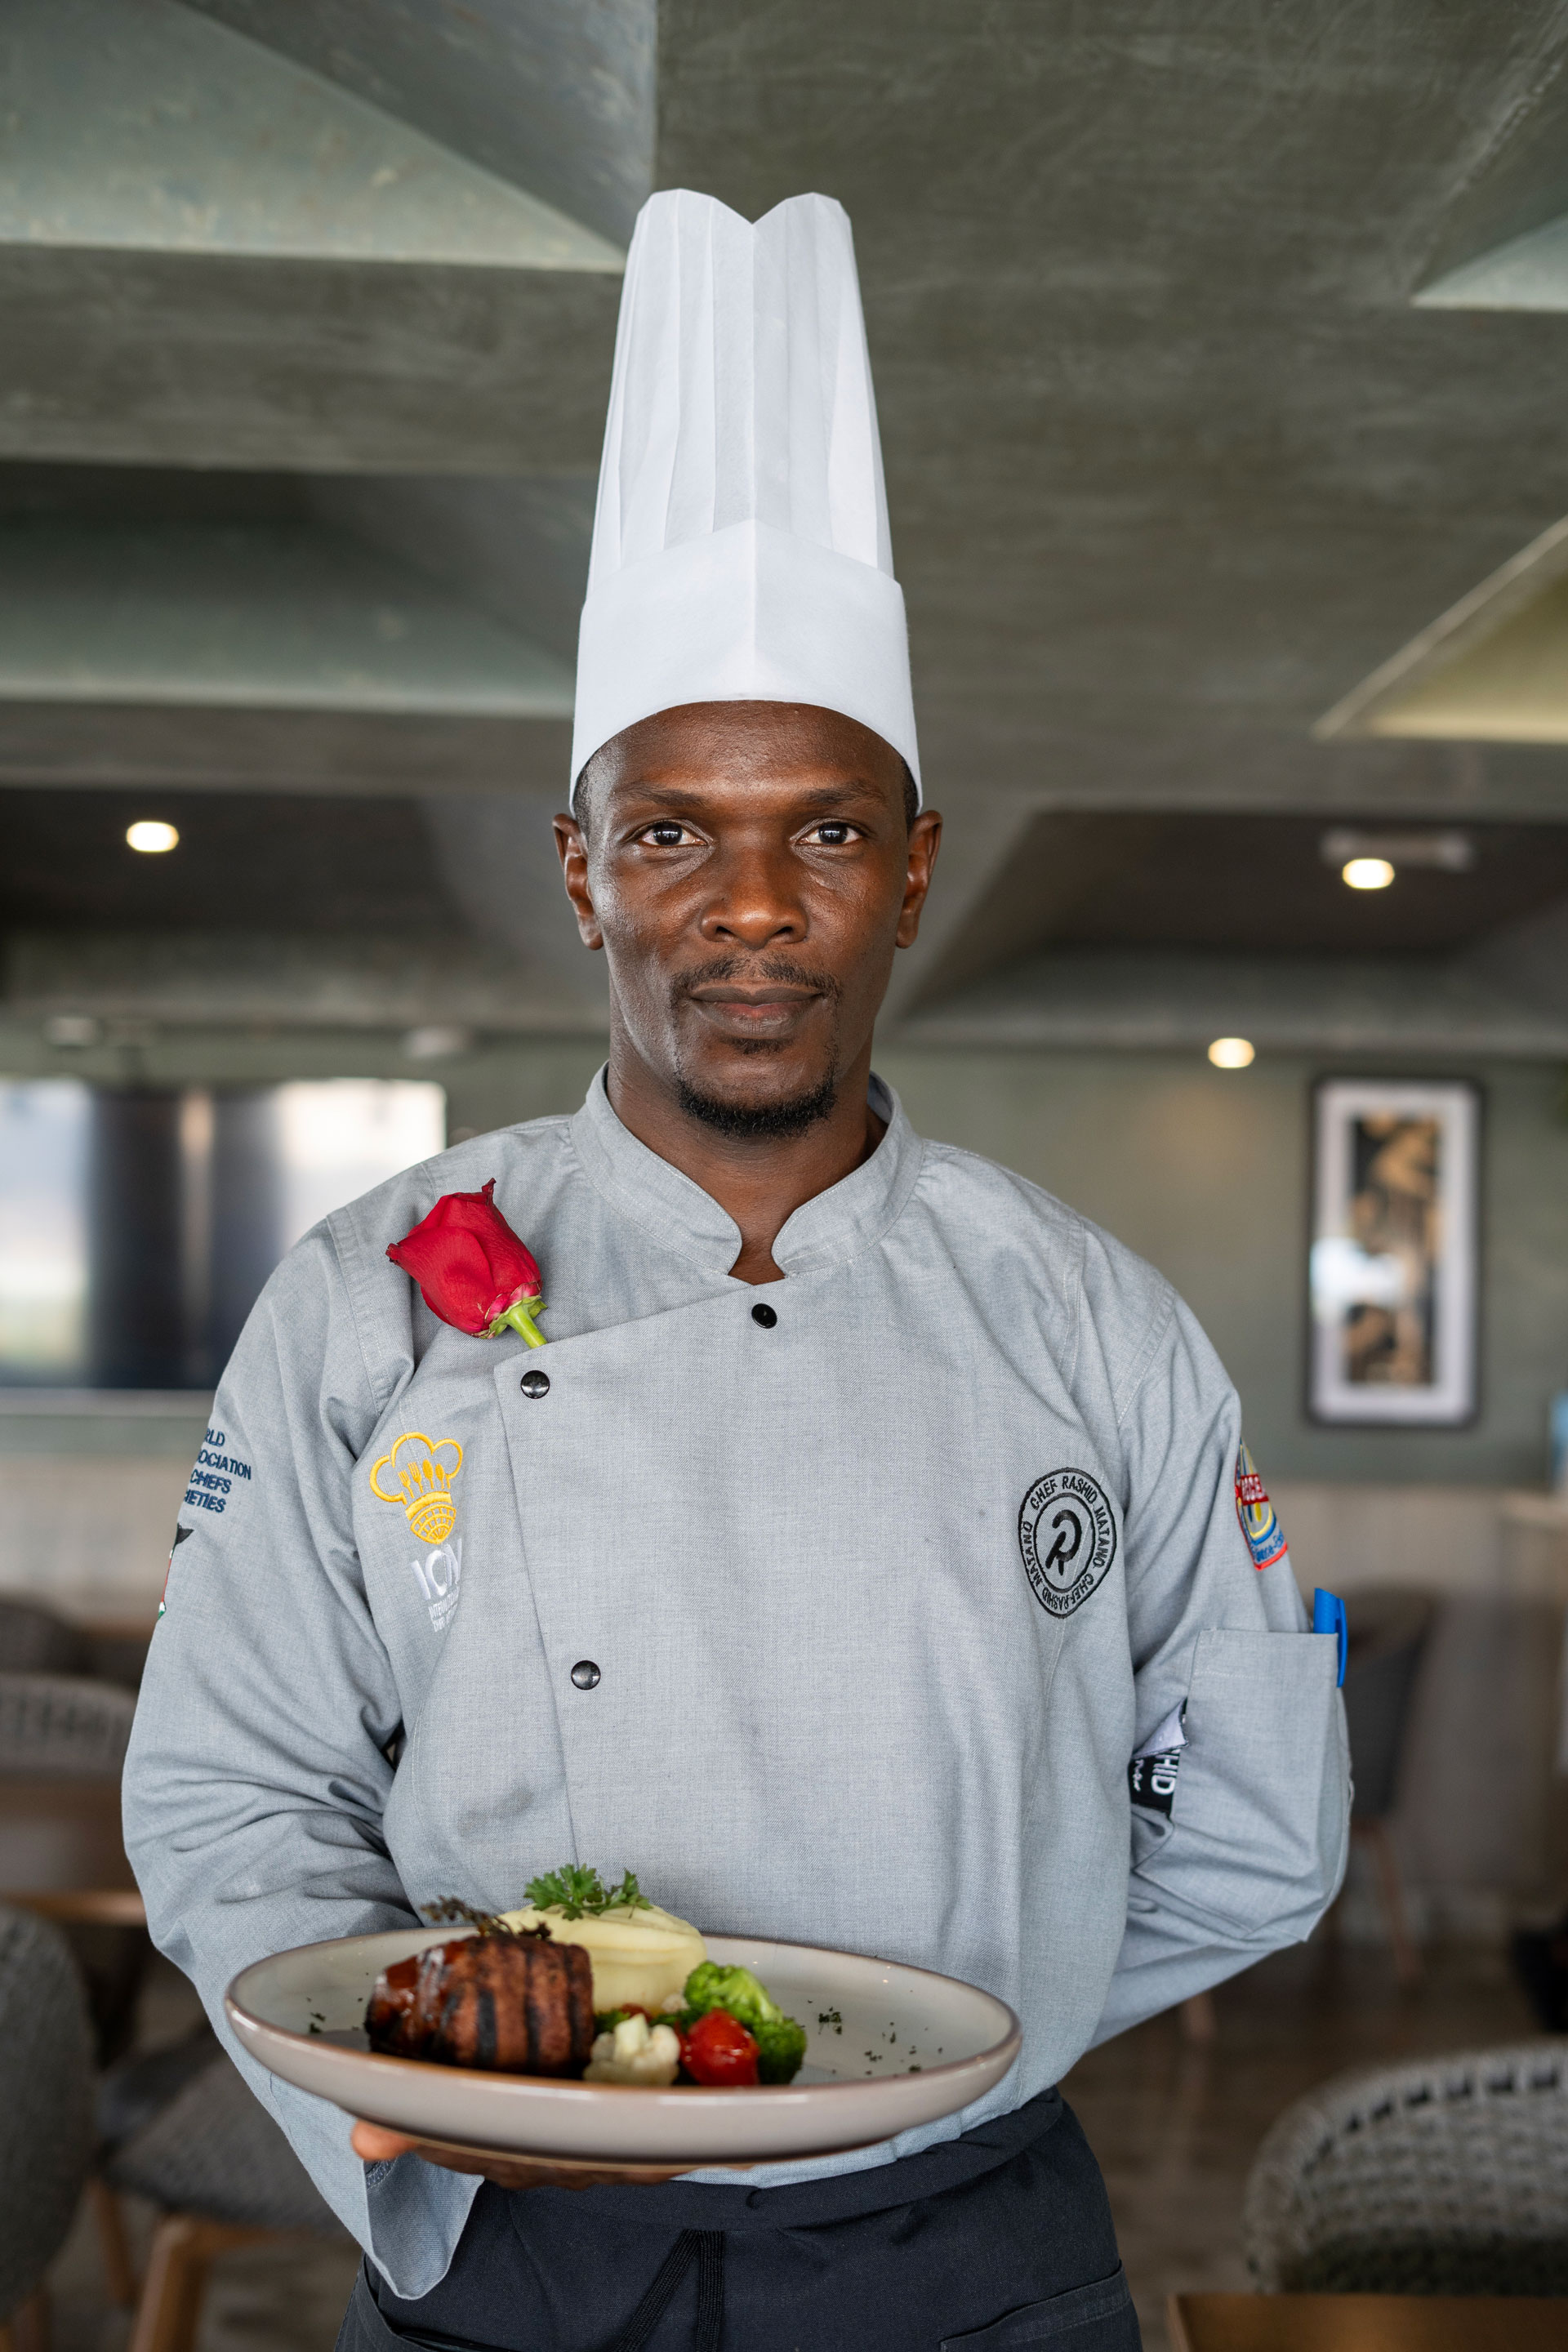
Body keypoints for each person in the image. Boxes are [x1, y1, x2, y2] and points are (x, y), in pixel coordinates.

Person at [123, 189, 1348, 2352]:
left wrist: (960, 2034)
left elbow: (1260, 1821)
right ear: (580, 869)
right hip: (517, 2244)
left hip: (978, 2255)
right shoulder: (363, 1294)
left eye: (830, 832)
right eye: (674, 829)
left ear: (917, 872)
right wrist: (417, 2098)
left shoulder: (1089, 1317)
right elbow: (231, 1789)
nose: (754, 904)